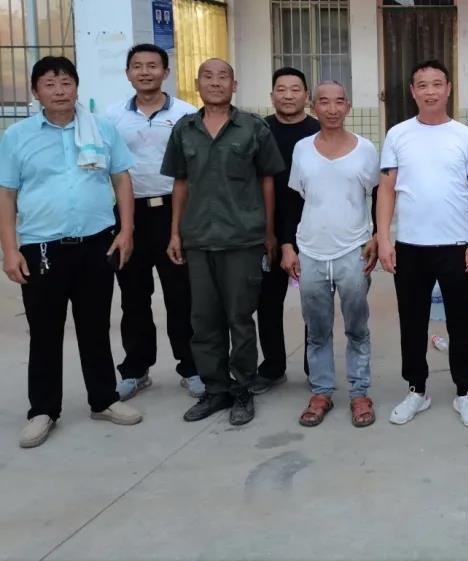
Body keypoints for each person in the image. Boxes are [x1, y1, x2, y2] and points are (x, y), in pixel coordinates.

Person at [0, 56, 142, 448]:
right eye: (50, 84)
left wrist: (126, 230)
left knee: (95, 327)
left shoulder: (102, 129)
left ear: (77, 87)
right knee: (44, 331)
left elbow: (121, 178)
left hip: (96, 242)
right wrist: (9, 250)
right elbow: (6, 194)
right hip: (41, 247)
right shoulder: (17, 136)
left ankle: (104, 399)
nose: (59, 91)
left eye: (66, 83)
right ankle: (43, 410)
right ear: (36, 91)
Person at [161, 58, 284, 427]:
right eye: (208, 77)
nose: (215, 83)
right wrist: (175, 232)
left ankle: (243, 388)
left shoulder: (254, 128)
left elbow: (267, 180)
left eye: (223, 77)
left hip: (242, 239)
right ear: (197, 83)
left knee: (240, 318)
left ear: (235, 84)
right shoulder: (185, 129)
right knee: (203, 320)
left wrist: (269, 232)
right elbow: (180, 183)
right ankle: (215, 389)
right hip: (199, 238)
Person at [377, 60, 468, 427]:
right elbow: (387, 189)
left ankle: (463, 392)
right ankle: (417, 390)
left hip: (457, 245)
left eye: (437, 84)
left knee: (461, 323)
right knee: (412, 322)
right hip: (410, 246)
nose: (430, 91)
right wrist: (383, 238)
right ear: (413, 91)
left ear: (448, 88)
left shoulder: (465, 136)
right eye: (422, 85)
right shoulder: (398, 135)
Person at [103, 44, 202, 402]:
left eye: (152, 66)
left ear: (166, 72)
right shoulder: (112, 117)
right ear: (128, 73)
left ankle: (191, 367)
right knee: (133, 295)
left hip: (175, 213)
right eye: (137, 66)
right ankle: (135, 369)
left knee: (181, 295)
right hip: (129, 215)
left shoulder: (187, 114)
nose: (145, 72)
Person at [286, 82, 380, 428]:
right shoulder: (302, 149)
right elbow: (294, 199)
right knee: (317, 328)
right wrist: (289, 245)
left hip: (353, 251)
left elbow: (379, 194)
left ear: (348, 106)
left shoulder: (366, 149)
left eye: (339, 102)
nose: (332, 109)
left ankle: (359, 392)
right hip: (311, 251)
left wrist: (377, 236)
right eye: (324, 102)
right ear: (313, 106)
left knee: (357, 327)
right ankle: (322, 391)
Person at [254, 67, 320, 394]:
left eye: (296, 89)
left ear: (306, 95)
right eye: (281, 89)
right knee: (267, 302)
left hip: (312, 229)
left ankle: (314, 366)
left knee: (314, 302)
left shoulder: (319, 131)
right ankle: (272, 367)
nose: (289, 95)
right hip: (267, 229)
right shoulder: (259, 130)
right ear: (272, 96)